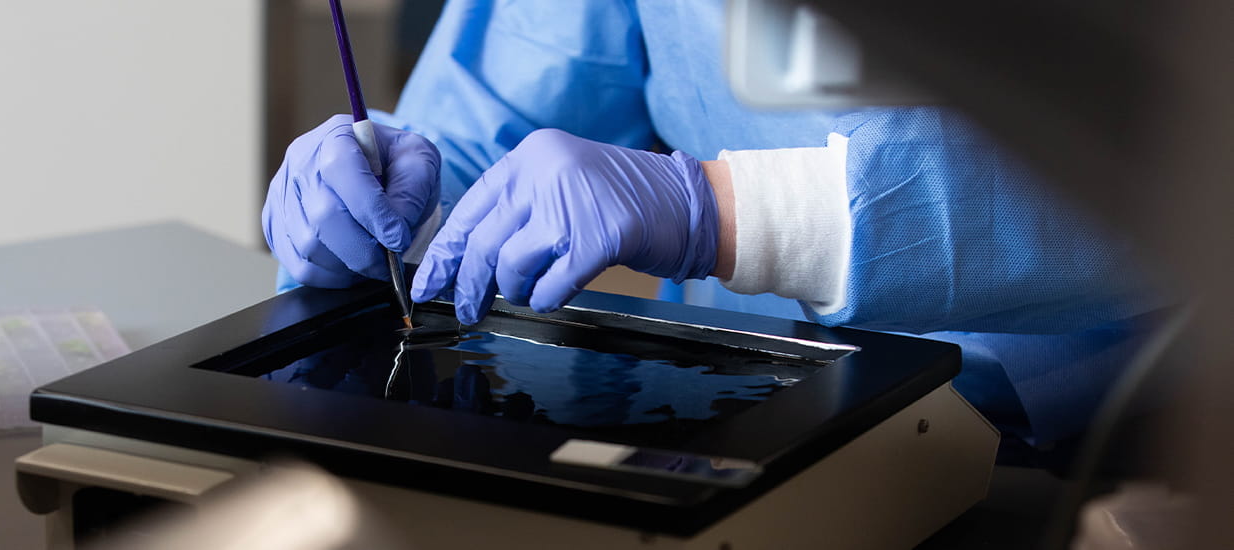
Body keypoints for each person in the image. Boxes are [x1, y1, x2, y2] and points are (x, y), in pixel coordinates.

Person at [262, 0, 1157, 450]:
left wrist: (734, 214)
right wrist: (389, 204)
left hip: (1132, 440)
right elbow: (497, 121)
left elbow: (1178, 157)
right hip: (746, 428)